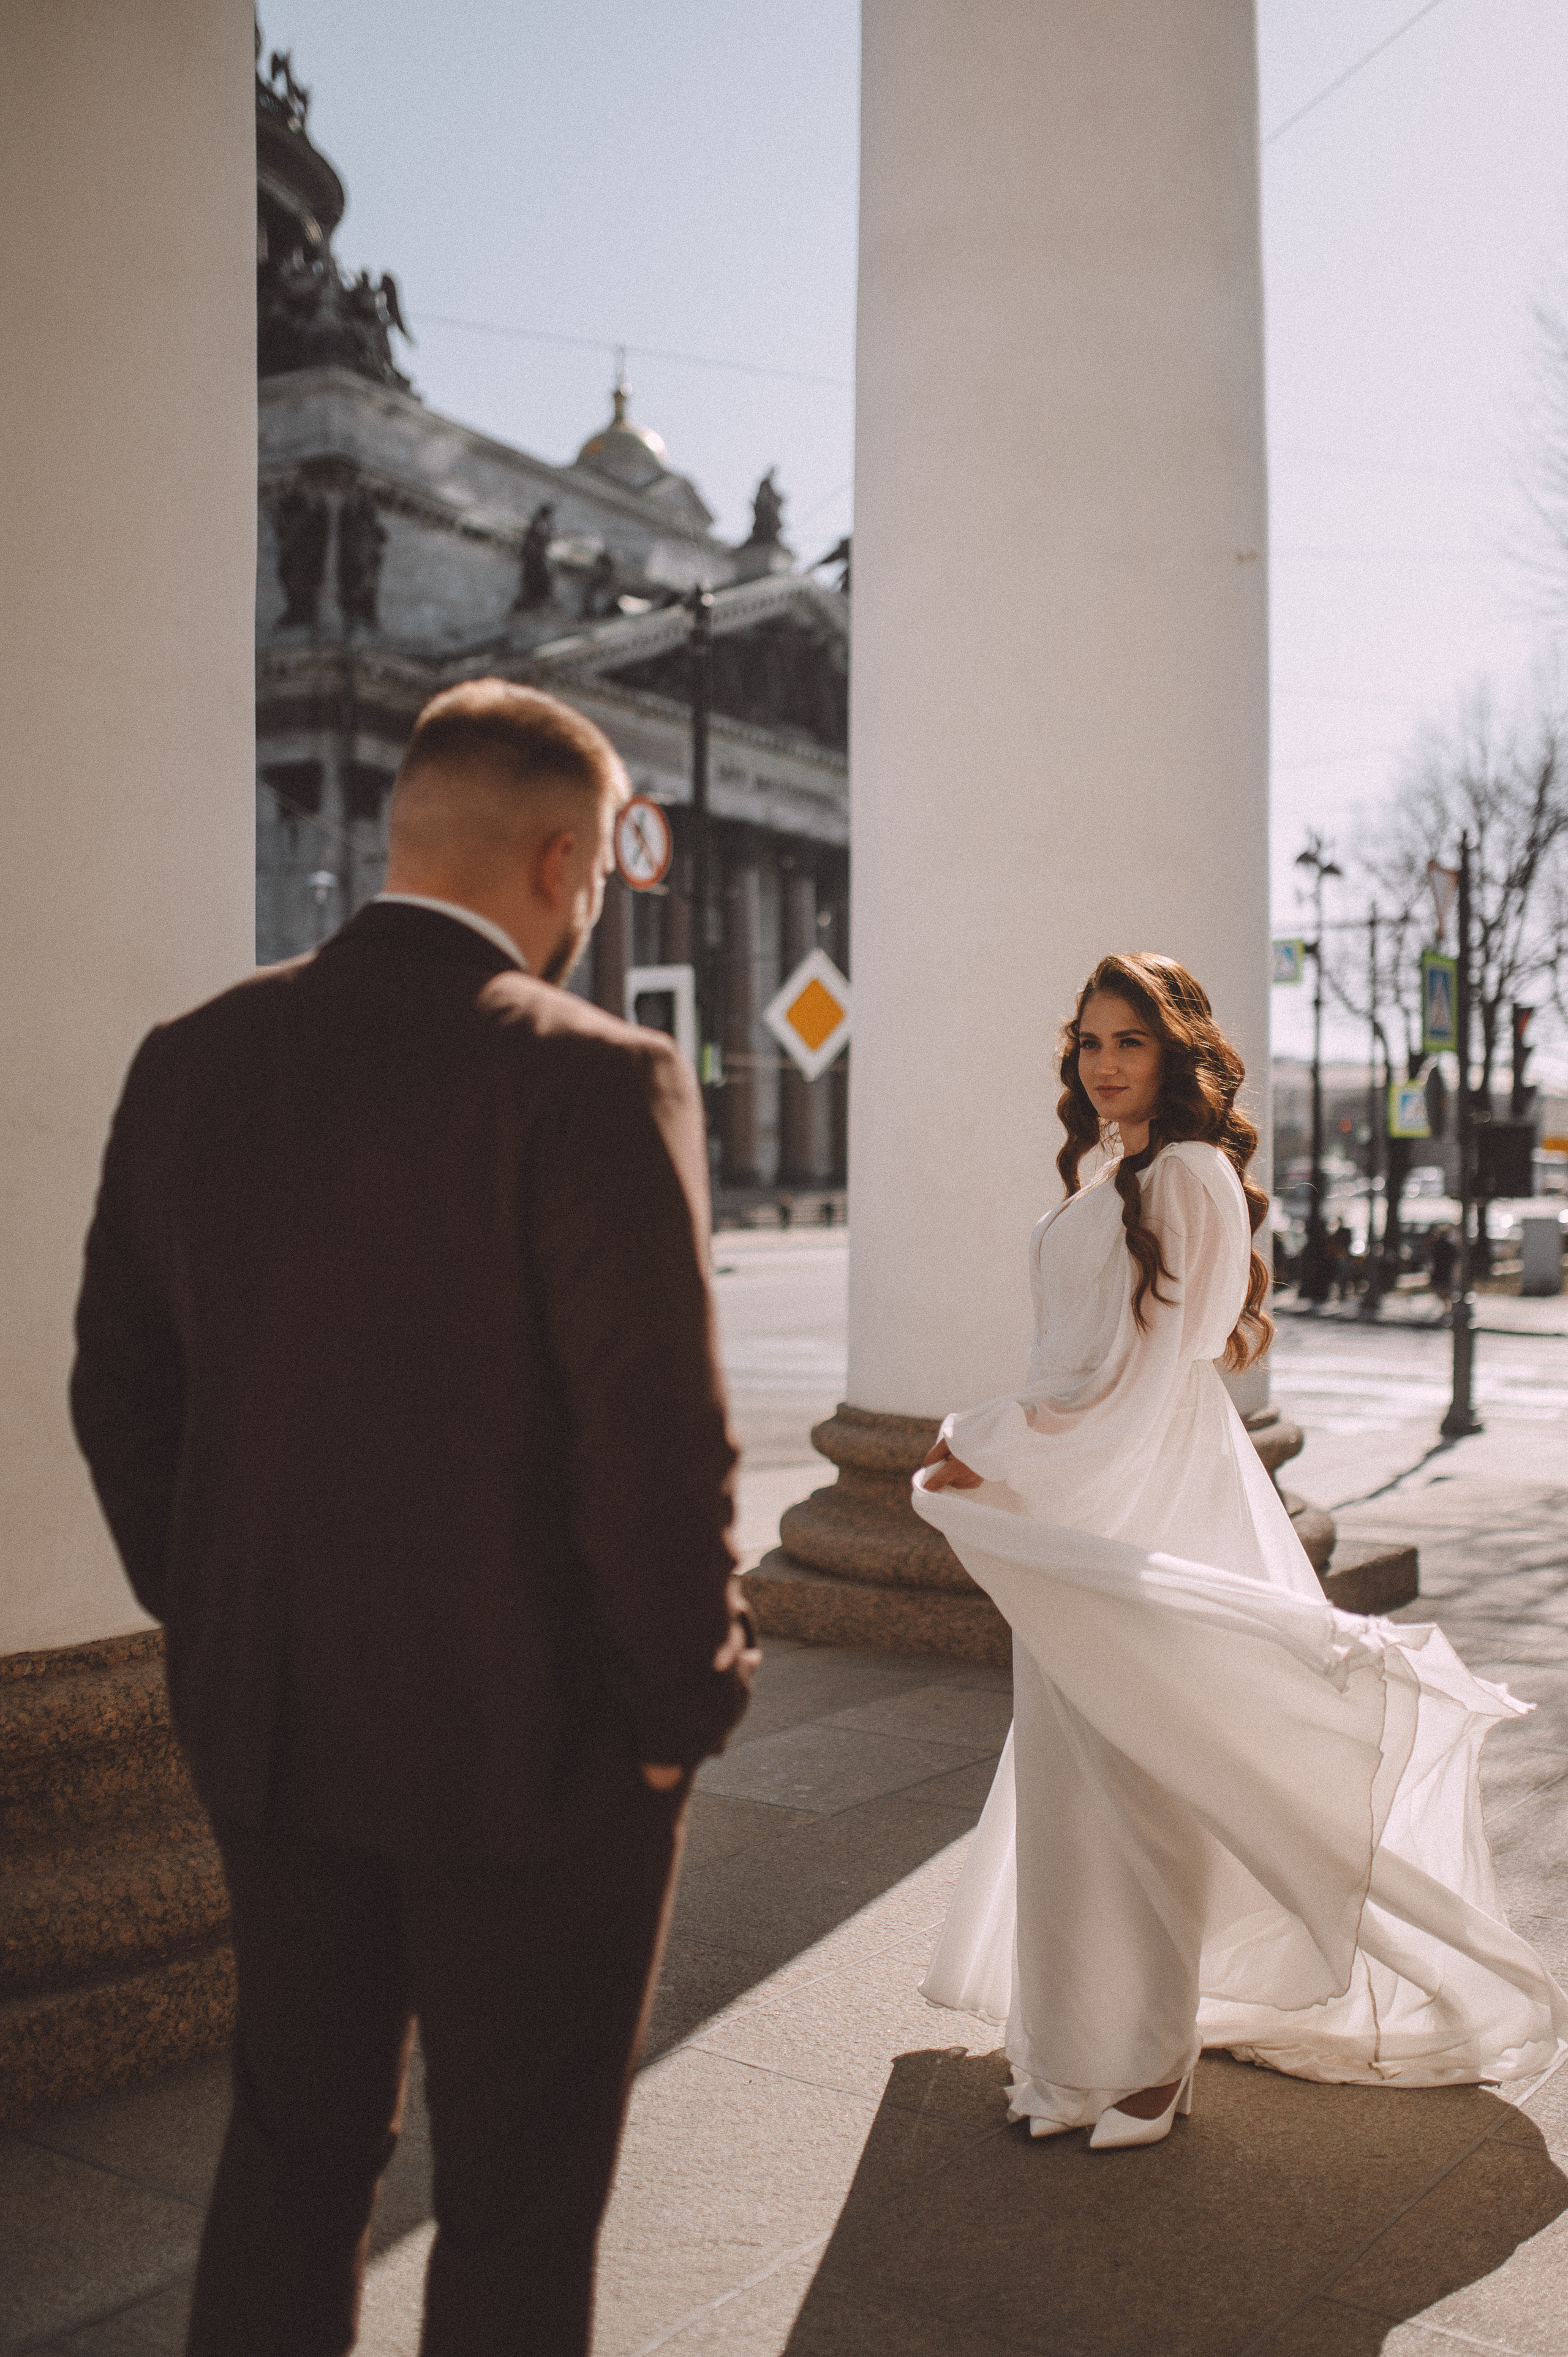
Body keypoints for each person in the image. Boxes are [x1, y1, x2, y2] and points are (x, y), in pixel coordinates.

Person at [70, 680, 759, 2354]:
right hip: (542, 1751)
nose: (591, 909)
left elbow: (119, 1392)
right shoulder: (594, 1076)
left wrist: (228, 1612)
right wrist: (680, 1713)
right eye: (594, 875)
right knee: (520, 2196)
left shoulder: (195, 1058)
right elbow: (656, 1449)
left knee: (295, 2148)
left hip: (279, 1726)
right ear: (554, 861)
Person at [915, 953, 1565, 2150]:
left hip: (1144, 1501)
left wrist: (993, 1443)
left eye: (1129, 1042)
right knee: (1078, 1784)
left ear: (1175, 1052)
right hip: (1069, 1499)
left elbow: (1157, 1375)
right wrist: (1010, 1459)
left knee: (1145, 1784)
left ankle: (1145, 2065)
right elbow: (1079, 1363)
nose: (1103, 1064)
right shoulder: (1112, 1174)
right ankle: (1077, 2051)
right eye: (1089, 1043)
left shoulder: (1193, 1177)